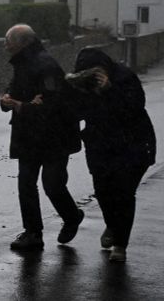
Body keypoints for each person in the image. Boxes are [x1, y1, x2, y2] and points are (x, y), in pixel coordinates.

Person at [66, 47, 157, 262]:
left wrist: (109, 90)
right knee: (103, 192)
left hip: (133, 146)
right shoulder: (84, 85)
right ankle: (114, 226)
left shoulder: (125, 77)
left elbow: (134, 108)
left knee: (124, 195)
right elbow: (77, 112)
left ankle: (120, 245)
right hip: (100, 146)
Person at [0, 24, 83, 250]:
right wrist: (7, 100)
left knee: (52, 184)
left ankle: (72, 216)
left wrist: (21, 106)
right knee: (26, 183)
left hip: (56, 136)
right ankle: (33, 233)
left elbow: (53, 104)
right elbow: (15, 90)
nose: (5, 45)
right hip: (29, 135)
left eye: (9, 40)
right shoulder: (21, 63)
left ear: (24, 42)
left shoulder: (46, 65)